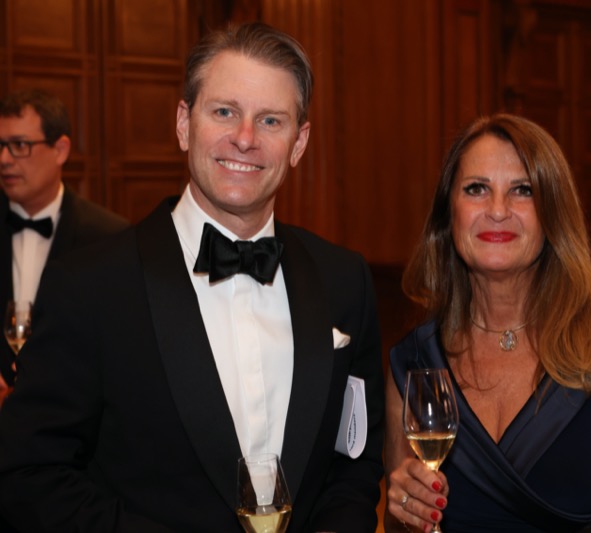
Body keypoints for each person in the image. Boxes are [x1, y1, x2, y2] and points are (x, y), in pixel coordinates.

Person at [0, 22, 384, 532]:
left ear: (299, 143)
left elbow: (354, 464)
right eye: (224, 112)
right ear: (184, 124)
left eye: (271, 120)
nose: (244, 138)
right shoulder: (90, 287)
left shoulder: (344, 280)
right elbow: (29, 474)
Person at [383, 114, 591, 532]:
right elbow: (401, 523)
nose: (497, 210)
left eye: (523, 190)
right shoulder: (414, 364)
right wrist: (404, 509)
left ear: (553, 214)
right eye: (476, 189)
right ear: (448, 214)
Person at [0, 88, 129, 405]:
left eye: (19, 145)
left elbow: (120, 346)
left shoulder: (109, 238)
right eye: (1, 146)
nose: (4, 159)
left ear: (60, 150)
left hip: (73, 419)